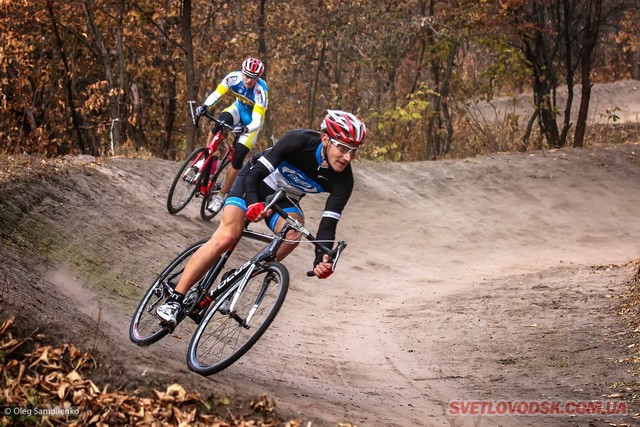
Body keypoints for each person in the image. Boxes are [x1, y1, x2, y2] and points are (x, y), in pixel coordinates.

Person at [156, 110, 367, 325]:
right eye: (342, 148)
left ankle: (238, 277)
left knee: (293, 233)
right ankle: (175, 298)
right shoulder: (299, 140)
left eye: (354, 151)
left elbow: (327, 226)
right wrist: (255, 202)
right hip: (254, 181)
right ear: (325, 139)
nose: (347, 157)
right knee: (228, 236)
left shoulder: (344, 181)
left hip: (284, 198)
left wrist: (321, 259)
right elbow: (255, 173)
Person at [194, 57, 269, 214]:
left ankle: (221, 196)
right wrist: (204, 106)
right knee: (219, 123)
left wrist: (245, 129)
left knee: (238, 158)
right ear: (242, 72)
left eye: (253, 78)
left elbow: (256, 120)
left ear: (258, 78)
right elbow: (217, 93)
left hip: (251, 123)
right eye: (246, 75)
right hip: (237, 110)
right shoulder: (233, 78)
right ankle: (208, 155)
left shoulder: (261, 91)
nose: (249, 80)